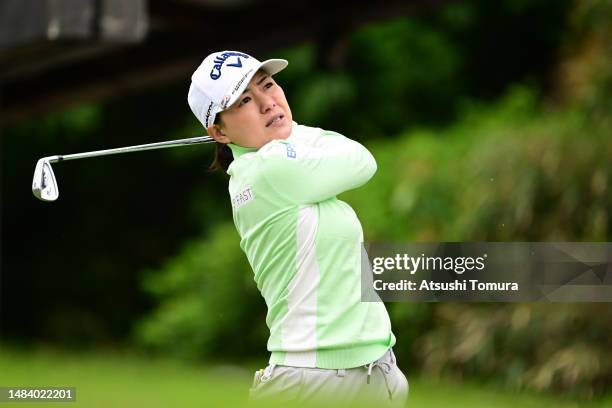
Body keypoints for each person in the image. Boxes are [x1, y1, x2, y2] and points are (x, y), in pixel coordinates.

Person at [187, 50, 408, 406]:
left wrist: (281, 130)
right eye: (244, 100)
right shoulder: (264, 172)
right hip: (314, 383)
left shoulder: (274, 161)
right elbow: (362, 161)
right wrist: (287, 133)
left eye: (268, 86)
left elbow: (345, 152)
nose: (267, 103)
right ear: (219, 132)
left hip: (377, 371)